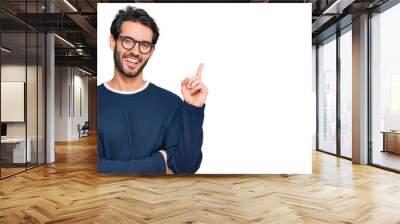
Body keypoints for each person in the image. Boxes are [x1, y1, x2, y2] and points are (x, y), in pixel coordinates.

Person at [97, 6, 208, 174]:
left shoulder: (170, 103)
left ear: (152, 51)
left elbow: (184, 167)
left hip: (157, 200)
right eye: (127, 41)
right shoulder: (93, 101)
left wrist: (193, 109)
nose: (135, 51)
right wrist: (157, 164)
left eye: (144, 45)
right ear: (113, 41)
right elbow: (91, 169)